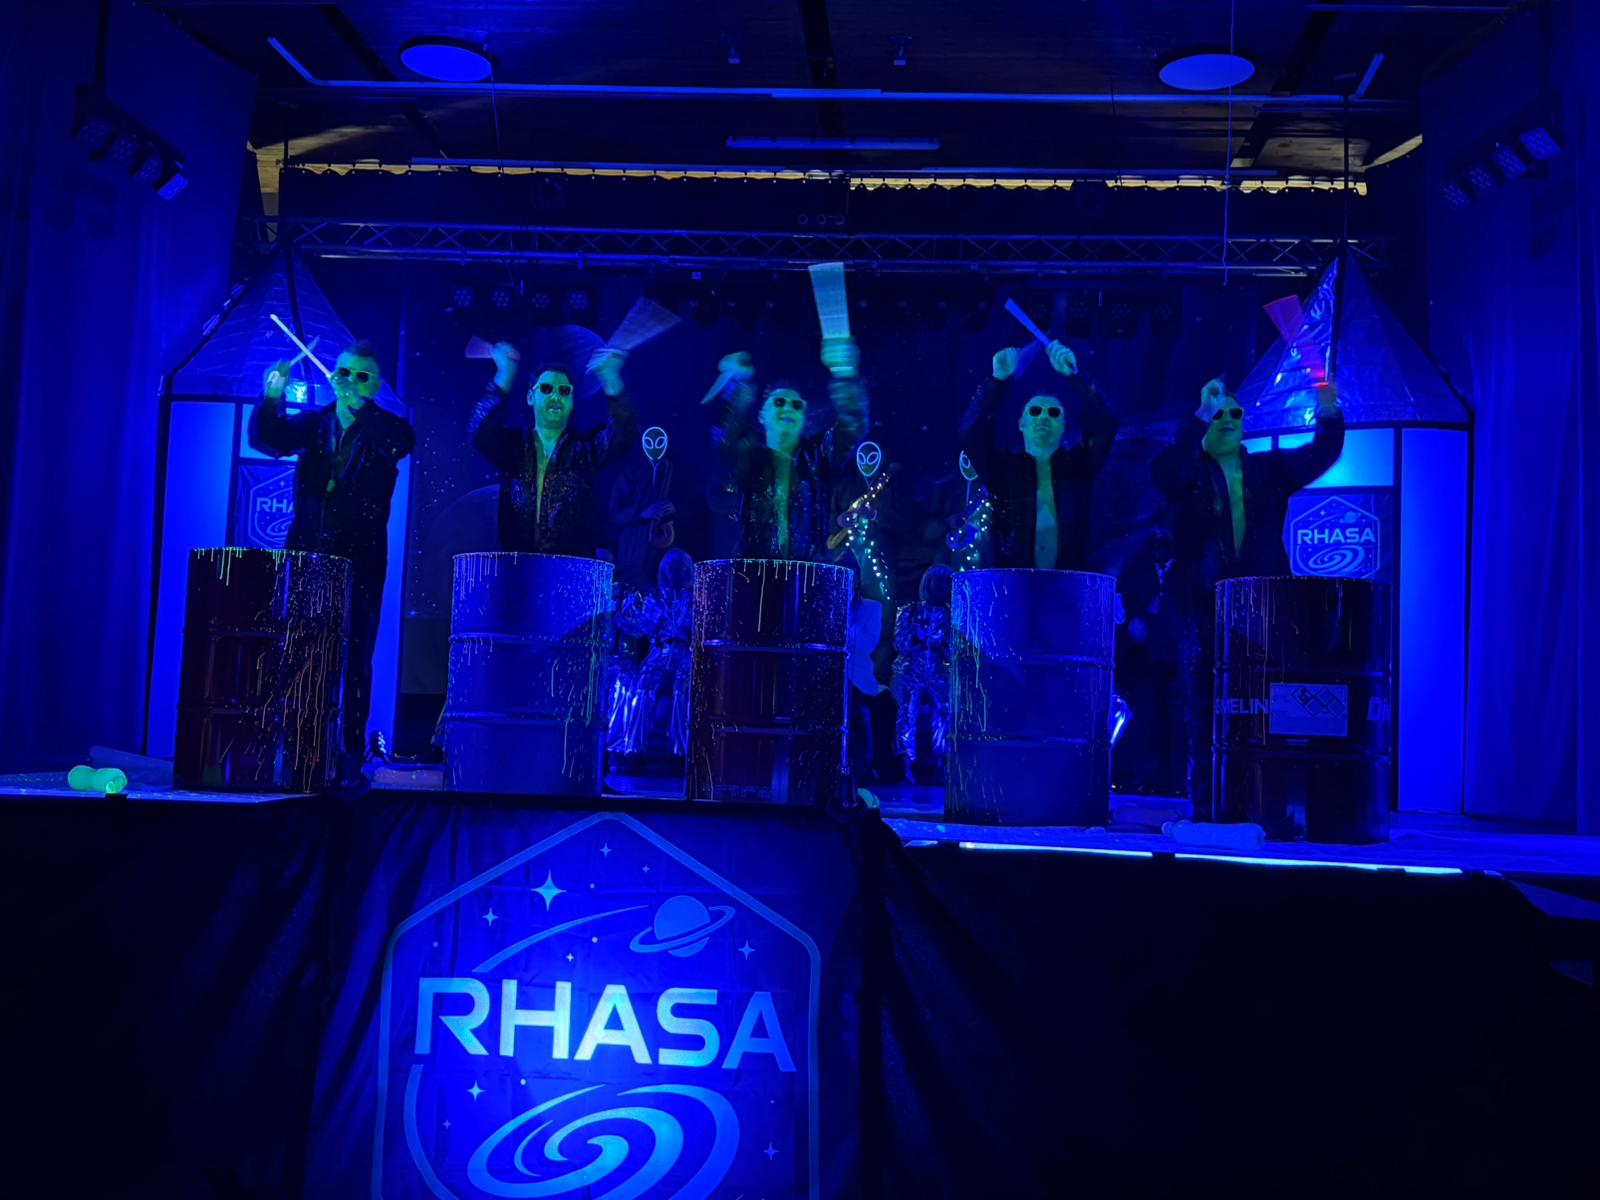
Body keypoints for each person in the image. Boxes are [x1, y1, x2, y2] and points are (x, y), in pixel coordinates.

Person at [1153, 376, 1346, 819]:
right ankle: (1207, 806)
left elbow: (1322, 452)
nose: (1226, 419)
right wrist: (1199, 414)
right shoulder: (1186, 477)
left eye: (1234, 413)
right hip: (1202, 607)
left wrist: (1328, 408)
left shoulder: (1270, 470)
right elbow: (1163, 471)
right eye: (1218, 414)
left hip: (1263, 606)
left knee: (1266, 701)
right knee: (1204, 704)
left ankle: (1267, 802)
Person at [249, 340, 415, 778]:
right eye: (344, 373)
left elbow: (401, 441)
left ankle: (350, 752)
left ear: (374, 385)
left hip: (362, 560)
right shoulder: (314, 424)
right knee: (301, 648)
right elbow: (267, 438)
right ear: (332, 376)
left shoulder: (387, 429)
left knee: (356, 655)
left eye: (362, 376)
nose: (351, 383)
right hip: (308, 554)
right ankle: (299, 746)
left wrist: (360, 407)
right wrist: (272, 394)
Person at [958, 340, 1119, 571]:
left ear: (1062, 426)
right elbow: (972, 434)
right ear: (1021, 423)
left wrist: (1075, 377)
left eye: (1053, 413)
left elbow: (1106, 424)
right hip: (1013, 581)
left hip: (1068, 581)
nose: (1043, 416)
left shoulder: (1079, 468)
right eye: (1035, 411)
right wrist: (997, 381)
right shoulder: (1003, 469)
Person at [707, 337, 868, 561]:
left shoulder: (818, 455)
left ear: (803, 416)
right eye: (779, 402)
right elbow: (726, 435)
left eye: (797, 405)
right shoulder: (750, 458)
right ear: (762, 415)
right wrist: (740, 385)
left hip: (807, 571)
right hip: (757, 570)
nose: (789, 408)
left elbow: (852, 426)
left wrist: (845, 374)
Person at [470, 342, 638, 555]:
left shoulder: (586, 451)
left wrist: (610, 378)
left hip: (570, 568)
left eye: (564, 391)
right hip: (518, 566)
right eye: (547, 389)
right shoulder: (513, 447)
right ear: (530, 397)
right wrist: (505, 375)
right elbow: (479, 432)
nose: (556, 396)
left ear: (571, 402)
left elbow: (625, 433)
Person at [608, 425, 676, 593]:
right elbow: (615, 513)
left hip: (663, 553)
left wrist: (673, 509)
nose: (654, 447)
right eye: (649, 442)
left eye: (659, 442)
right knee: (630, 593)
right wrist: (640, 513)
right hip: (633, 549)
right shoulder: (630, 473)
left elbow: (693, 505)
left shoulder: (673, 471)